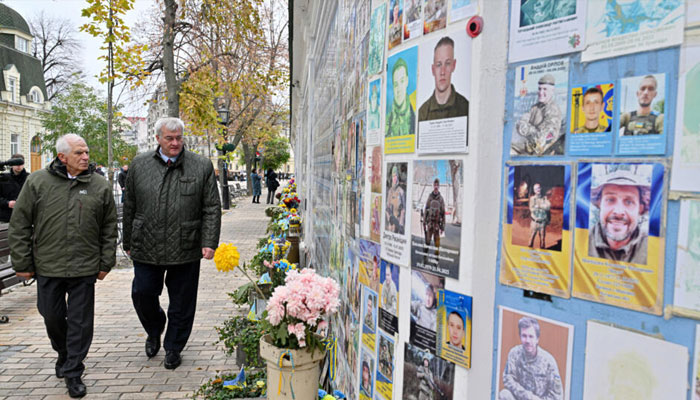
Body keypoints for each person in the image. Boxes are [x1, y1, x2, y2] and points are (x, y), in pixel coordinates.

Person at [9, 134, 117, 398]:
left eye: (87, 152)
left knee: (80, 323)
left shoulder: (99, 185)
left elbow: (109, 227)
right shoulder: (37, 182)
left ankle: (73, 371)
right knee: (52, 317)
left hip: (84, 267)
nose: (86, 157)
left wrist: (106, 262)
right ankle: (64, 354)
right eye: (79, 153)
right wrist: (22, 262)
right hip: (48, 265)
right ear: (62, 157)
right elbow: (20, 223)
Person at [123, 117, 221, 370]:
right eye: (169, 138)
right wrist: (127, 241)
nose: (175, 143)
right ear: (158, 139)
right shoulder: (139, 164)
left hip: (185, 245)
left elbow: (211, 207)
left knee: (182, 301)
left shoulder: (200, 166)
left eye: (179, 138)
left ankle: (174, 347)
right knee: (142, 293)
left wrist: (209, 241)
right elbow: (130, 205)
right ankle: (154, 328)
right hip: (146, 243)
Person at [588, 166, 650, 264]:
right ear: (599, 204)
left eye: (629, 202)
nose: (618, 212)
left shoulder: (652, 246)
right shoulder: (580, 240)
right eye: (610, 200)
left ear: (640, 209)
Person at [499, 317, 563, 400]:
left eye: (531, 336)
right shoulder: (514, 354)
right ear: (520, 336)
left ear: (537, 339)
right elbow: (508, 379)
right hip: (520, 397)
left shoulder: (549, 362)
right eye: (524, 336)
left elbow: (557, 396)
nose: (527, 341)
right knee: (504, 394)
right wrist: (528, 396)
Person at [418, 36, 469, 122]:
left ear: (454, 65)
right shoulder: (423, 113)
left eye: (447, 63)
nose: (442, 72)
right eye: (438, 65)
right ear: (433, 70)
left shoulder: (465, 107)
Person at [512, 74, 563, 156]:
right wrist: (533, 131)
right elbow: (519, 125)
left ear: (552, 90)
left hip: (542, 156)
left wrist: (527, 130)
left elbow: (542, 140)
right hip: (529, 149)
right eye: (539, 89)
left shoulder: (553, 110)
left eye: (545, 89)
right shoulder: (535, 107)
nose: (541, 92)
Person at [386, 58, 415, 138]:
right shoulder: (387, 122)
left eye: (402, 81)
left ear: (407, 81)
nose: (399, 89)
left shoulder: (415, 116)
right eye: (395, 84)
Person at [0, 153, 28, 223]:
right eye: (16, 163)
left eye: (21, 163)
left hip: (24, 217)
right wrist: (7, 203)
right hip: (6, 218)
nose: (19, 166)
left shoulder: (29, 178)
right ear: (11, 164)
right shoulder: (3, 178)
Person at [423, 178, 445, 254]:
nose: (436, 187)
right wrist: (424, 223)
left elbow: (443, 213)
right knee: (427, 242)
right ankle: (424, 258)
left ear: (439, 186)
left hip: (437, 226)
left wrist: (442, 227)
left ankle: (436, 261)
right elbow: (426, 209)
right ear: (433, 186)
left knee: (437, 244)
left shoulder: (441, 199)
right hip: (429, 225)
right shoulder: (430, 197)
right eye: (435, 185)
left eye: (437, 185)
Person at [528, 183, 551, 249]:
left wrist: (539, 206)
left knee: (542, 239)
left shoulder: (544, 198)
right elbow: (532, 209)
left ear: (540, 188)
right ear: (534, 190)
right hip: (534, 222)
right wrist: (543, 207)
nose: (537, 190)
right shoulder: (532, 199)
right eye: (535, 189)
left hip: (542, 223)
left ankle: (542, 253)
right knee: (531, 239)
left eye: (538, 188)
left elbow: (548, 207)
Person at [385, 165, 406, 234]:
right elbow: (387, 207)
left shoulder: (401, 191)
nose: (394, 178)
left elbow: (404, 209)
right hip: (391, 223)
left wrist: (401, 224)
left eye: (396, 176)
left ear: (397, 177)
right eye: (393, 176)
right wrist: (389, 218)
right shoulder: (390, 191)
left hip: (398, 222)